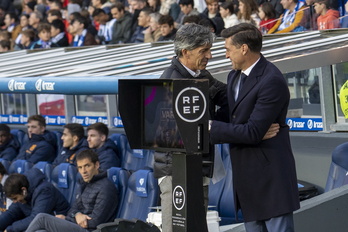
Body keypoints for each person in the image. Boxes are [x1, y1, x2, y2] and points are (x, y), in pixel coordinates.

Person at [209, 23, 300, 232]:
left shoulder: (271, 80)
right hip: (247, 181)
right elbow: (236, 120)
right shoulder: (234, 76)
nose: (225, 56)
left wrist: (213, 128)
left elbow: (252, 132)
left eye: (227, 50)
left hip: (271, 181)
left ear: (243, 49)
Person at [155, 23, 227, 232]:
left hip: (197, 166)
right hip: (175, 171)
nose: (210, 56)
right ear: (185, 52)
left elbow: (226, 95)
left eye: (209, 50)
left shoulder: (199, 74)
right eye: (203, 51)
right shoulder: (172, 80)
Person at [26, 149, 119, 232]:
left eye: (87, 166)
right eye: (80, 167)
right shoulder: (84, 183)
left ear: (97, 165)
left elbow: (96, 222)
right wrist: (77, 215)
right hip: (78, 225)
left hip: (91, 230)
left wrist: (71, 218)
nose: (83, 171)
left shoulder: (106, 187)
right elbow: (72, 210)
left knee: (42, 218)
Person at [0, 168, 70, 231]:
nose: (14, 201)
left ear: (23, 190)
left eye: (15, 198)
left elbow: (36, 219)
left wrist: (10, 229)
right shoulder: (22, 194)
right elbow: (11, 213)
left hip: (60, 223)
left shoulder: (44, 191)